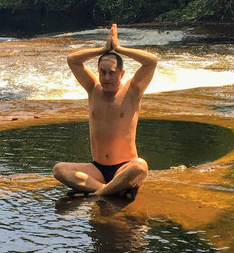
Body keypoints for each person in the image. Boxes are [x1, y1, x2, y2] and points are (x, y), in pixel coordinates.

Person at [53, 23, 158, 197]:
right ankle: (105, 190)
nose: (106, 77)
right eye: (103, 72)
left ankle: (101, 190)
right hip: (97, 169)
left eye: (111, 73)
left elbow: (151, 61)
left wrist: (119, 48)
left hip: (125, 167)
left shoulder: (133, 90)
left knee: (140, 166)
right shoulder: (93, 88)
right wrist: (103, 49)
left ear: (121, 74)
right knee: (60, 170)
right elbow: (73, 60)